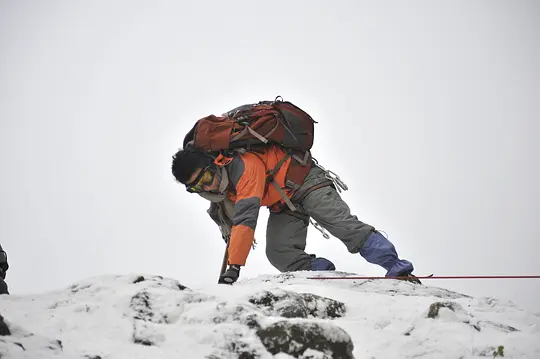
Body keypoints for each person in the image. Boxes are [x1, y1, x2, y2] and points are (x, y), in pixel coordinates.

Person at [171, 141, 420, 285]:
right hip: (284, 202)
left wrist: (234, 267)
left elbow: (246, 219)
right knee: (280, 254)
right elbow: (231, 221)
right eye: (196, 187)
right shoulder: (221, 191)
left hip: (307, 182)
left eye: (204, 178)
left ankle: (398, 268)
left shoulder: (243, 167)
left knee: (344, 226)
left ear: (214, 163)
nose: (206, 187)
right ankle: (324, 275)